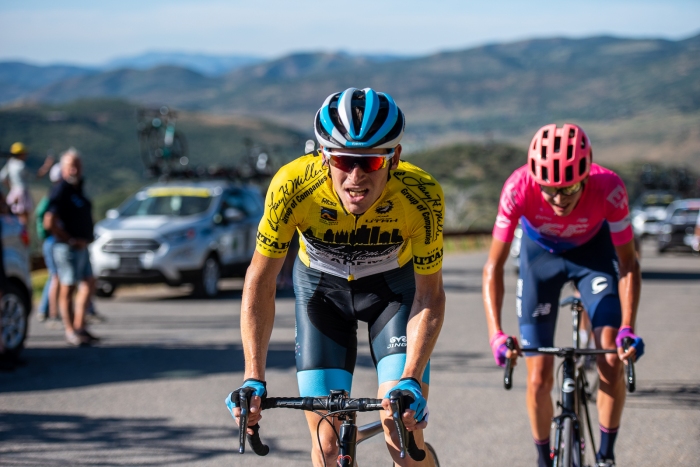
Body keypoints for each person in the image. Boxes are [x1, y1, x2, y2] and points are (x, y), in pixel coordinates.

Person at [226, 87, 445, 466]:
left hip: (392, 294)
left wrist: (411, 376)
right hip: (322, 294)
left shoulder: (420, 196)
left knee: (400, 427)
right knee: (328, 446)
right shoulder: (293, 186)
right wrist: (253, 377)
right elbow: (260, 280)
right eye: (343, 161)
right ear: (324, 156)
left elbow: (429, 295)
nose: (355, 177)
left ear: (394, 158)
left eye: (370, 163)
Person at [482, 123, 644, 467]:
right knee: (538, 377)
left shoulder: (609, 187)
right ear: (535, 180)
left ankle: (606, 455)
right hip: (539, 259)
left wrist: (628, 326)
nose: (559, 199)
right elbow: (492, 267)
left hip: (593, 257)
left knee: (611, 360)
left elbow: (629, 264)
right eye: (549, 189)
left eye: (569, 187)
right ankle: (544, 458)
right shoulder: (517, 187)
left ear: (586, 175)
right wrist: (496, 334)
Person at [44, 148, 99, 346]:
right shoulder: (61, 189)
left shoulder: (78, 188)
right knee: (67, 287)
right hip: (67, 248)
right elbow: (49, 221)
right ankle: (70, 331)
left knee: (89, 282)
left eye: (77, 166)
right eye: (71, 166)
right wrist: (68, 239)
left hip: (83, 247)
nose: (75, 170)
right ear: (64, 169)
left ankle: (80, 325)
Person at [36, 163, 63, 323]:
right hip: (53, 240)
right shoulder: (55, 196)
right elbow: (47, 221)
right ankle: (50, 312)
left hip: (50, 240)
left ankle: (45, 310)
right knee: (56, 277)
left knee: (55, 276)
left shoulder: (51, 195)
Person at [1, 142, 34, 225]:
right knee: (24, 217)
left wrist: (11, 188)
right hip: (22, 191)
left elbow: (2, 177)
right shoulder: (21, 165)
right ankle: (24, 234)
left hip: (14, 191)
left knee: (13, 214)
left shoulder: (10, 164)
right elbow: (32, 176)